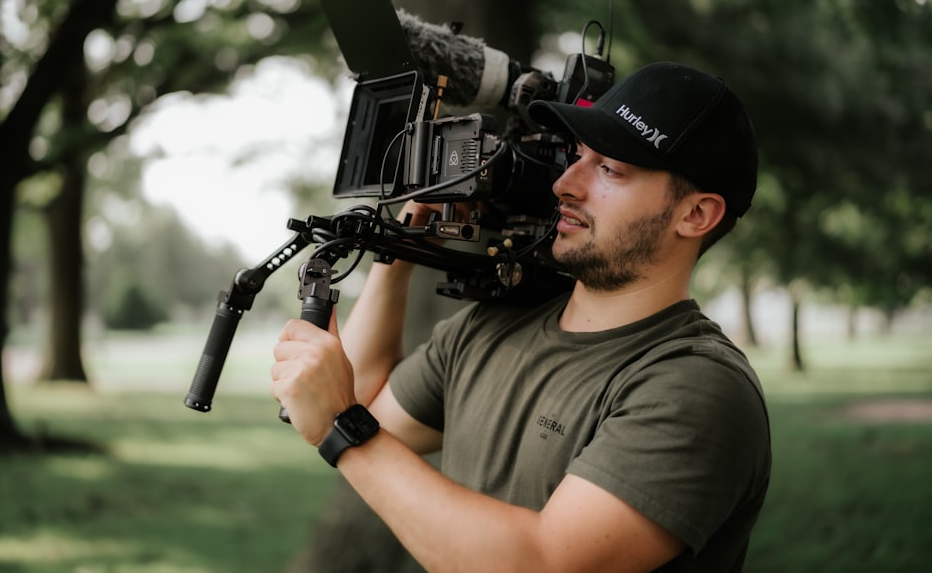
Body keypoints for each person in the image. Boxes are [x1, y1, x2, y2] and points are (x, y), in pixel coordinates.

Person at [270, 61, 772, 573]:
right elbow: (368, 412)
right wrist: (399, 252)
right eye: (577, 157)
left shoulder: (696, 386)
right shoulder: (488, 326)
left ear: (696, 215)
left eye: (609, 169)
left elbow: (543, 561)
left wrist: (346, 429)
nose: (565, 185)